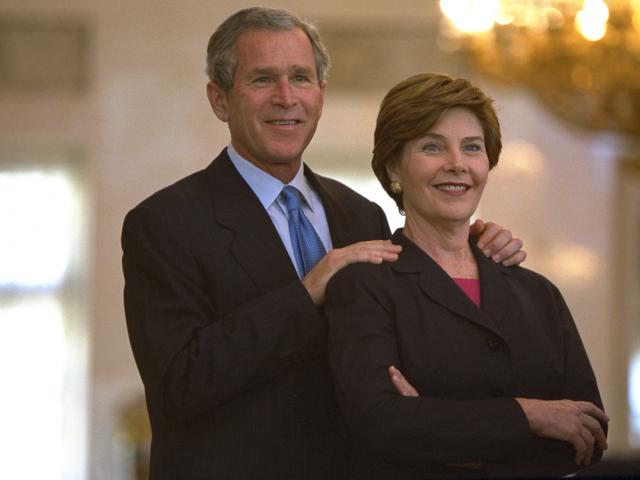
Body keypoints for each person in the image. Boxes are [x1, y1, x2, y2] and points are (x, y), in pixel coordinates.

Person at [121, 8, 526, 480]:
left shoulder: (361, 214)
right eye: (262, 79)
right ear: (220, 100)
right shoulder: (164, 222)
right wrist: (308, 290)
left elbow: (407, 345)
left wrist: (473, 250)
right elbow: (178, 385)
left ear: (321, 94)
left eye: (301, 78)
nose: (286, 97)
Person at [325, 72, 608, 479]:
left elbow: (589, 433)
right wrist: (529, 416)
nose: (456, 164)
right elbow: (379, 424)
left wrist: (441, 436)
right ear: (393, 168)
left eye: (472, 147)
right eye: (432, 146)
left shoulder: (539, 293)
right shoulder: (364, 286)